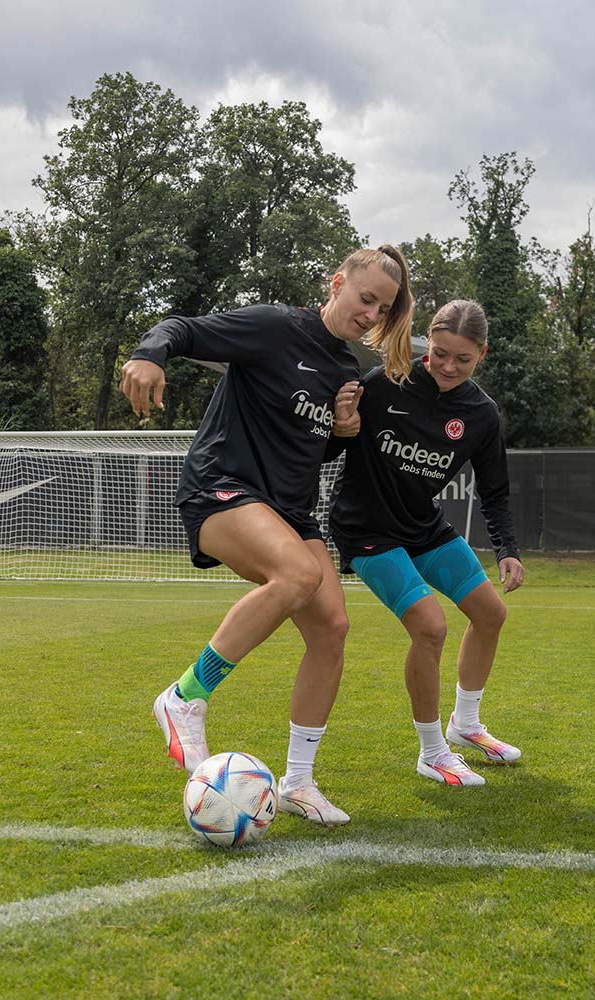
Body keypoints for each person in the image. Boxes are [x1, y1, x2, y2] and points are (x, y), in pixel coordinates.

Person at [120, 245, 413, 826]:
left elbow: (316, 446)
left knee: (332, 629)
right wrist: (149, 355)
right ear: (337, 282)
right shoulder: (275, 328)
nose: (370, 313)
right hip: (222, 488)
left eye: (381, 308)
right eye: (365, 297)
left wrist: (344, 431)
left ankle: (299, 782)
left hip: (290, 511)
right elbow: (182, 328)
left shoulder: (346, 370)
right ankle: (185, 697)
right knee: (299, 575)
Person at [329, 299, 523, 787]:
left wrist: (508, 550)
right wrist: (340, 425)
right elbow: (329, 445)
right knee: (430, 627)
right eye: (440, 353)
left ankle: (466, 725)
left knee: (491, 613)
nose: (448, 367)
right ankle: (432, 751)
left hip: (422, 527)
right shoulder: (383, 384)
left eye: (462, 358)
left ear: (483, 353)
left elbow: (495, 491)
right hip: (365, 529)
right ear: (427, 343)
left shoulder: (481, 414)